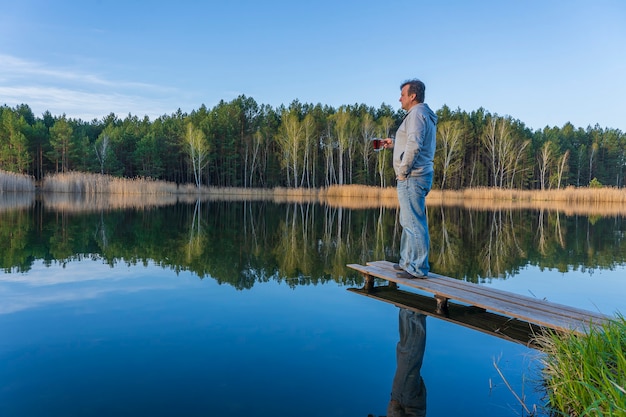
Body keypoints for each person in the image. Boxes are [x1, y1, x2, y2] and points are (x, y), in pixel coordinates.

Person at [382, 79, 437, 279]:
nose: (400, 99)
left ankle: (418, 268)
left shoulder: (417, 114)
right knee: (408, 221)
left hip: (413, 176)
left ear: (412, 96)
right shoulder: (422, 115)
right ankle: (406, 263)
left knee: (415, 223)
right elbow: (414, 142)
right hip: (417, 174)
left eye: (403, 95)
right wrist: (395, 144)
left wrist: (403, 171)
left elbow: (414, 145)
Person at [387, 308, 427, 417]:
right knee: (409, 356)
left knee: (404, 350)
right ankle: (416, 314)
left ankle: (406, 311)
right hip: (404, 401)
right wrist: (395, 409)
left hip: (409, 402)